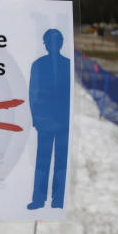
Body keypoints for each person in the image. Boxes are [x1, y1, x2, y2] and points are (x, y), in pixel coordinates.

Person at [27, 28, 71, 210]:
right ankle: (39, 199)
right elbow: (33, 93)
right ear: (45, 44)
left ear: (61, 43)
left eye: (56, 41)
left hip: (63, 123)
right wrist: (37, 119)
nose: (52, 45)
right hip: (45, 123)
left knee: (61, 163)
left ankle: (58, 201)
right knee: (42, 162)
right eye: (49, 41)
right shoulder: (38, 65)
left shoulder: (68, 64)